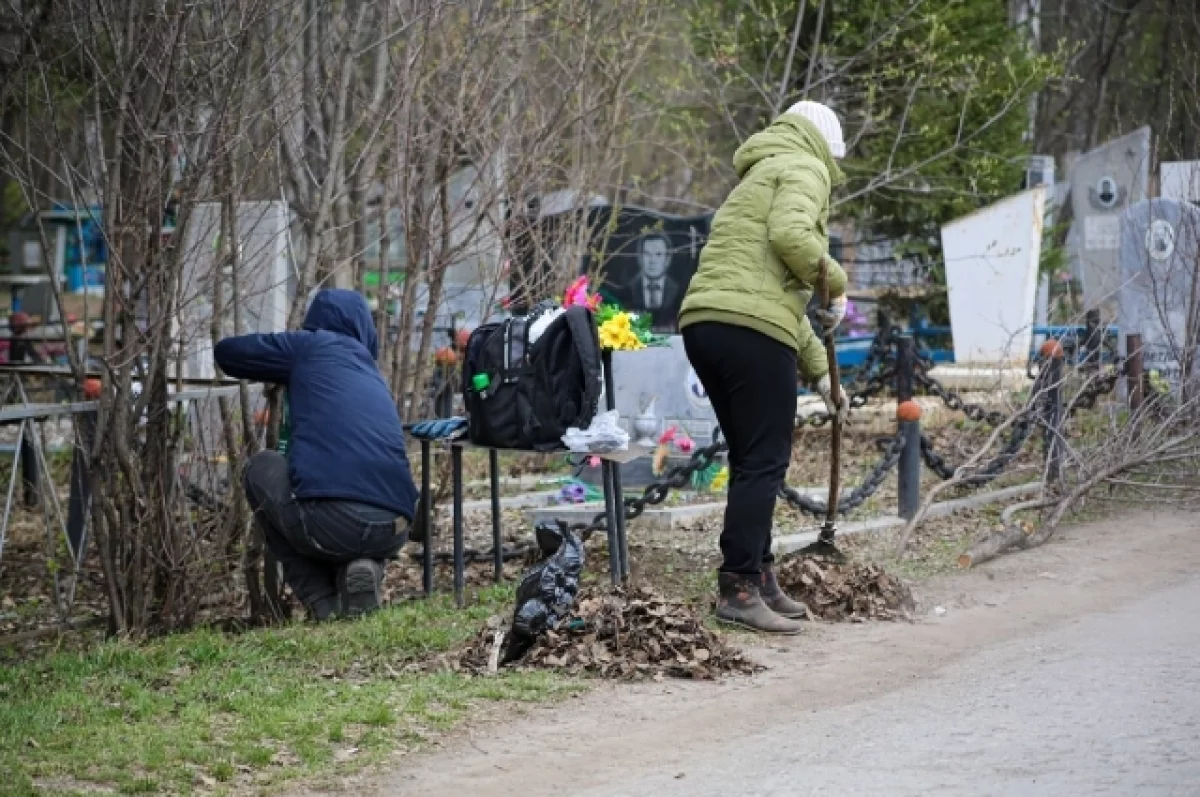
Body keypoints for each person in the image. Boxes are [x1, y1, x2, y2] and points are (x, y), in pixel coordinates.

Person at [678, 100, 851, 634]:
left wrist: (821, 374)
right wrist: (836, 284)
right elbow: (792, 238)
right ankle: (738, 587)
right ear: (825, 144)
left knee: (754, 459)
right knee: (764, 461)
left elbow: (770, 296)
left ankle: (761, 575)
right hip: (750, 333)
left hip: (706, 327)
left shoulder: (756, 177)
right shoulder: (806, 166)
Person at [215, 289, 418, 621]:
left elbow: (228, 353)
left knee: (259, 468)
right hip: (394, 529)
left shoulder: (312, 346)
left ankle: (322, 601)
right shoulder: (370, 372)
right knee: (354, 510)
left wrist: (284, 360)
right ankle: (364, 570)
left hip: (335, 521)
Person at [629, 234, 680, 327]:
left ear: (667, 259)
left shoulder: (679, 292)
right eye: (647, 254)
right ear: (640, 258)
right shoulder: (627, 291)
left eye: (658, 254)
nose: (652, 260)